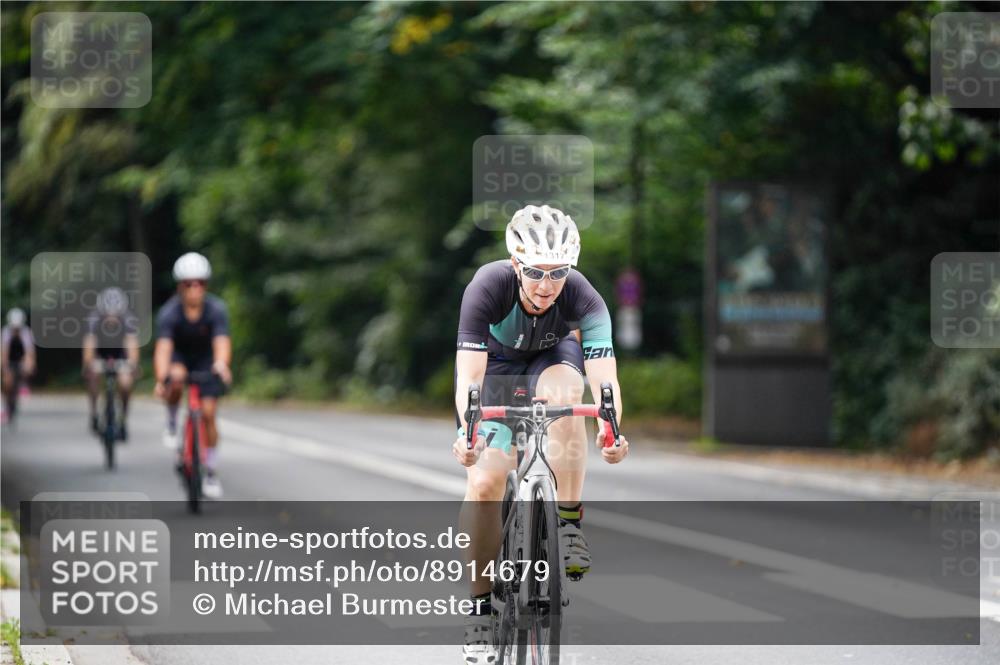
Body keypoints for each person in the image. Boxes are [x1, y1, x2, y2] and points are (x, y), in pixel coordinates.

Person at [452, 205, 629, 663]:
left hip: (551, 361)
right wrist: (469, 434)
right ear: (515, 263)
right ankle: (479, 612)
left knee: (568, 397)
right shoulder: (488, 286)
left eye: (558, 273)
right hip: (495, 370)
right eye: (535, 272)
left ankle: (567, 523)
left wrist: (611, 431)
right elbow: (469, 377)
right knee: (486, 482)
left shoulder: (583, 296)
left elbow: (604, 379)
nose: (547, 285)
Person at [153, 252, 232, 499]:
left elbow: (222, 342)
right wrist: (161, 377)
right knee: (175, 378)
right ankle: (173, 421)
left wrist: (221, 364)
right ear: (180, 286)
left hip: (206, 359)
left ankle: (210, 470)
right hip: (180, 358)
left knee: (208, 414)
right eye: (189, 283)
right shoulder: (169, 313)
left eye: (200, 283)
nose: (195, 288)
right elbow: (164, 349)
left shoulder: (216, 309)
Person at [83, 287, 140, 440]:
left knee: (125, 382)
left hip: (120, 354)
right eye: (108, 315)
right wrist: (89, 364)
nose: (112, 318)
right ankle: (94, 413)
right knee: (93, 376)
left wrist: (132, 364)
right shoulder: (94, 319)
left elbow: (132, 344)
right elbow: (89, 345)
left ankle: (123, 419)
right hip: (100, 353)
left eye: (115, 315)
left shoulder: (127, 319)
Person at [1, 308, 36, 423]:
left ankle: (23, 384)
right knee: (7, 382)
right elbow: (4, 352)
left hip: (21, 360)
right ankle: (6, 405)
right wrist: (5, 368)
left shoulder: (26, 333)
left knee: (27, 364)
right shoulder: (6, 332)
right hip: (9, 360)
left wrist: (30, 365)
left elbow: (29, 351)